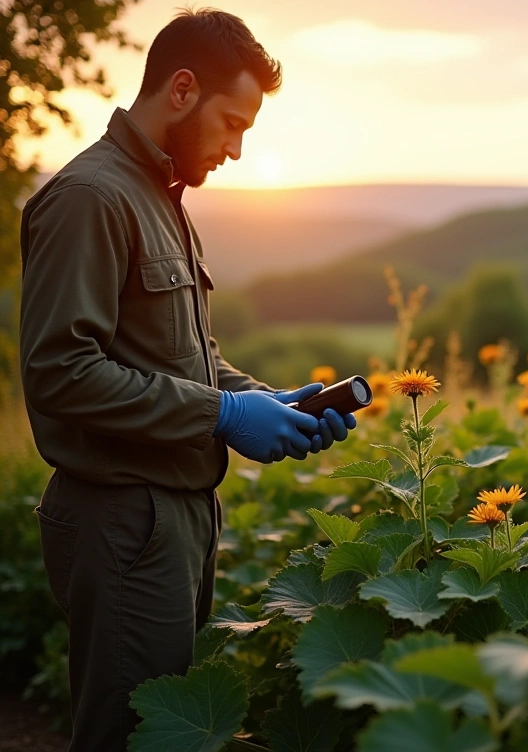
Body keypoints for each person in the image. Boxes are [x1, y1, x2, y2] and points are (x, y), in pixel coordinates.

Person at [17, 10, 355, 750]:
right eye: (231, 123)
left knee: (161, 732)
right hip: (119, 520)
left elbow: (178, 357)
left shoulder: (160, 195)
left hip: (171, 523)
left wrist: (261, 399)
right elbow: (58, 372)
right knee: (129, 736)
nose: (236, 150)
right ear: (180, 89)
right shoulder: (91, 198)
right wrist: (221, 416)